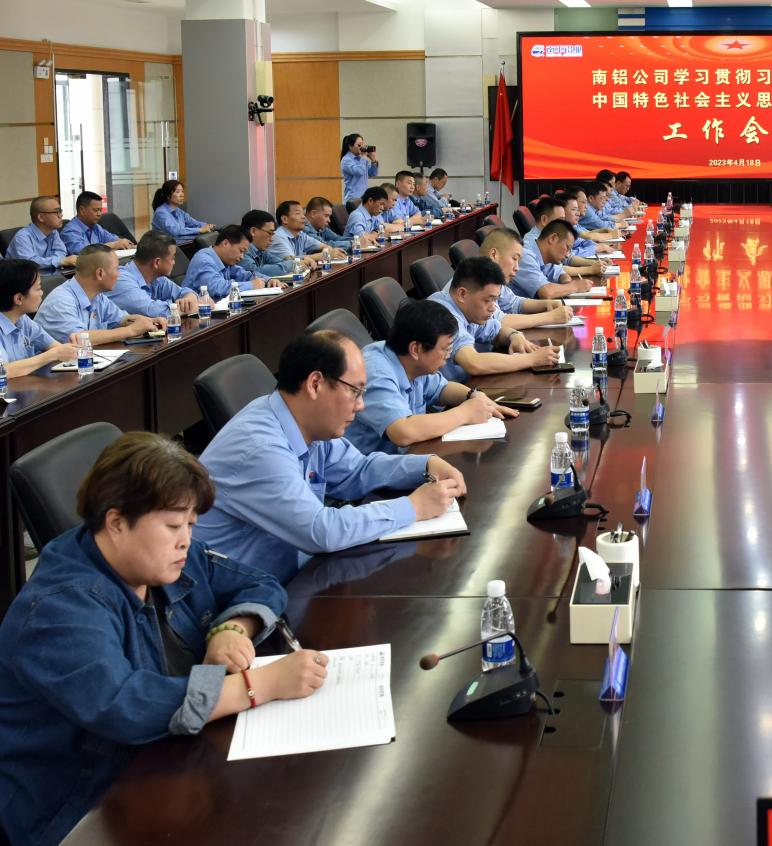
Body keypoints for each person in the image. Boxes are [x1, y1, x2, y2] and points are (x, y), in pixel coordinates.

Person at [0, 432, 328, 846]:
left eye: (190, 524)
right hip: (74, 810)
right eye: (173, 525)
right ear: (116, 523)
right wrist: (258, 685)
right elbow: (124, 704)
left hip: (162, 766)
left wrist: (231, 627)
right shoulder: (59, 608)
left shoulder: (163, 556)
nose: (185, 539)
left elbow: (259, 583)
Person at [195, 330, 465, 583]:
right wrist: (413, 507)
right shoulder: (260, 447)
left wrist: (424, 464)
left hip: (293, 576)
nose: (361, 405)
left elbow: (358, 470)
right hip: (240, 600)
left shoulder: (307, 424)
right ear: (315, 384)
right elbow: (321, 531)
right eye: (355, 391)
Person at [346, 299, 518, 454]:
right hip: (370, 473)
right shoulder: (375, 372)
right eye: (445, 349)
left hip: (409, 457)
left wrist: (474, 396)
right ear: (416, 349)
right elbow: (403, 432)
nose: (448, 355)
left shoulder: (411, 360)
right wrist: (465, 413)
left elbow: (442, 388)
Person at [427, 257, 561, 381]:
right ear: (462, 294)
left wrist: (514, 335)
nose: (492, 308)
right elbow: (473, 363)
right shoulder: (442, 313)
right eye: (487, 300)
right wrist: (532, 359)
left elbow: (497, 331)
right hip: (442, 397)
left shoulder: (470, 311)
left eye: (495, 300)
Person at [34, 245, 164, 343]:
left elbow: (122, 319)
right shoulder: (61, 301)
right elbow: (80, 338)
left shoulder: (97, 296)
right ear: (100, 273)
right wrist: (131, 330)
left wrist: (148, 321)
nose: (119, 274)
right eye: (116, 269)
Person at [465, 227, 574, 330]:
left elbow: (514, 303)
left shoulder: (492, 279)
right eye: (514, 258)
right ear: (494, 255)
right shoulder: (476, 281)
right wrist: (551, 317)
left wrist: (547, 304)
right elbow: (499, 323)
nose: (517, 268)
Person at [0, 258, 77, 377]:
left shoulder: (22, 319)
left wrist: (70, 349)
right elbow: (3, 371)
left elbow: (53, 346)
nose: (42, 293)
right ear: (19, 298)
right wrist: (52, 355)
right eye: (38, 288)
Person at [108, 230, 198, 318]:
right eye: (172, 258)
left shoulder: (157, 277)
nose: (174, 262)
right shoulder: (121, 280)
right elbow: (152, 312)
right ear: (157, 262)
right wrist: (186, 307)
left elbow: (183, 292)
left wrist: (189, 297)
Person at [513, 218, 592, 300]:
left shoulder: (545, 255)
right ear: (553, 238)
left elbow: (560, 273)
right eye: (567, 247)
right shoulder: (525, 255)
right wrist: (575, 286)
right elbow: (545, 292)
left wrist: (567, 283)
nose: (567, 255)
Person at [184, 226, 266, 298]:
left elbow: (245, 274)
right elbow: (217, 288)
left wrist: (268, 280)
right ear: (225, 243)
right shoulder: (203, 260)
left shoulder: (225, 261)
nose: (242, 257)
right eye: (241, 251)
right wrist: (251, 285)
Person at [7, 196, 76, 272]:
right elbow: (30, 264)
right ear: (41, 217)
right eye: (57, 212)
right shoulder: (22, 237)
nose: (61, 215)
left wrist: (58, 261)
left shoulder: (53, 232)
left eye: (60, 211)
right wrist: (59, 261)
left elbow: (61, 252)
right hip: (19, 278)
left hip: (46, 275)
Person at [272, 200, 345, 267]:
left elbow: (325, 246)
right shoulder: (278, 237)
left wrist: (328, 252)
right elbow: (291, 261)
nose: (303, 217)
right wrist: (323, 255)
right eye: (298, 214)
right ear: (285, 219)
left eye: (302, 214)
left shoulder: (301, 234)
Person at [61, 191, 134, 254]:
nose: (99, 214)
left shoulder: (96, 227)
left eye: (100, 210)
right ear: (82, 210)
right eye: (95, 210)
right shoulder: (70, 231)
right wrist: (113, 245)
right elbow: (83, 252)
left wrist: (123, 242)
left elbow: (114, 239)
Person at [238, 210, 296, 278]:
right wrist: (293, 264)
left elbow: (281, 262)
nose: (272, 239)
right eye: (269, 233)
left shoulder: (260, 251)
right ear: (253, 231)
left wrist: (291, 264)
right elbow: (255, 273)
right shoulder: (242, 251)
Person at [150, 180, 214, 240]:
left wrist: (207, 226)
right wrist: (200, 230)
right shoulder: (161, 212)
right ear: (168, 196)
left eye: (182, 191)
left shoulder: (179, 211)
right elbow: (175, 231)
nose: (182, 195)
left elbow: (193, 222)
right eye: (177, 192)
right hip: (162, 246)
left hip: (178, 244)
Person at [340, 133, 379, 206]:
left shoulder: (360, 159)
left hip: (363, 198)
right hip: (353, 199)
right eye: (359, 145)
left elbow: (373, 174)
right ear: (350, 146)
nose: (362, 147)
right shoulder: (346, 160)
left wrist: (373, 160)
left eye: (362, 144)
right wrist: (363, 157)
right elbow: (360, 172)